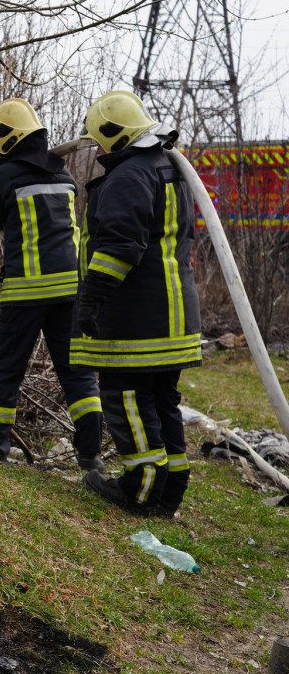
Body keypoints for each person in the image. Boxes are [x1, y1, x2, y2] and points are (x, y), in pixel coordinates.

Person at [0, 98, 104, 469]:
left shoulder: (4, 176)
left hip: (27, 290)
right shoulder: (63, 175)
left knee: (7, 369)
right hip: (69, 289)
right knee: (77, 372)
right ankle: (91, 455)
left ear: (8, 137)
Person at [72, 89, 201, 517]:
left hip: (138, 320)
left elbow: (118, 248)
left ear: (112, 136)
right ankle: (170, 492)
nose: (99, 150)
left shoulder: (129, 176)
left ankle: (140, 490)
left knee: (126, 396)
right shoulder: (167, 169)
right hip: (174, 315)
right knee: (162, 400)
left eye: (99, 142)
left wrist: (90, 300)